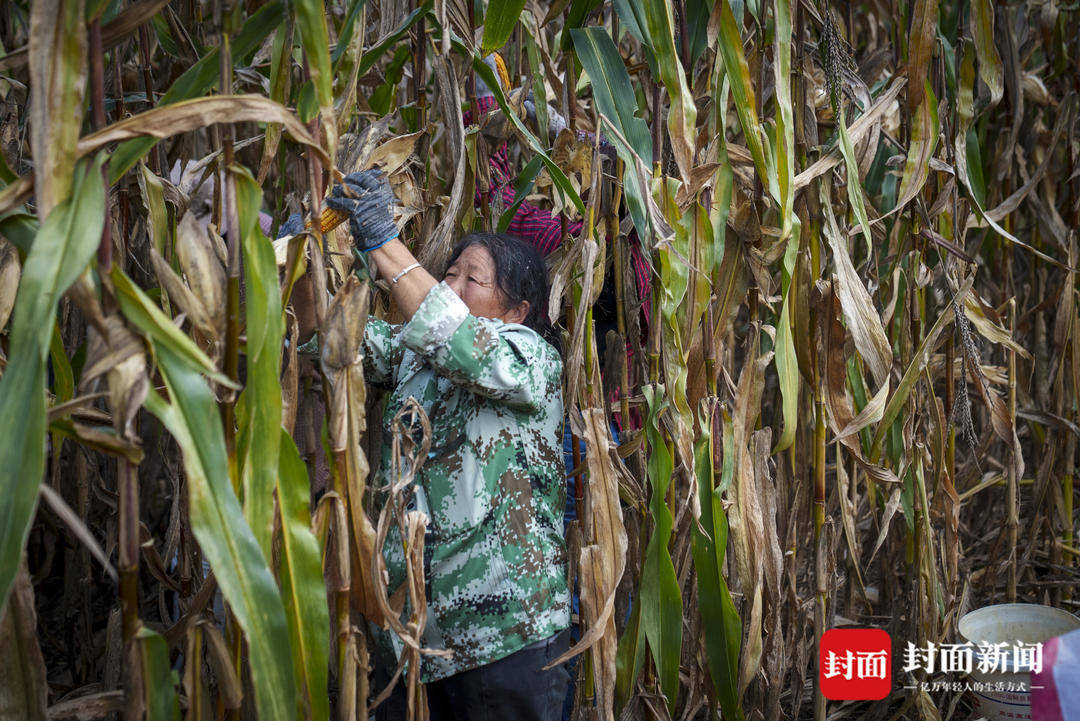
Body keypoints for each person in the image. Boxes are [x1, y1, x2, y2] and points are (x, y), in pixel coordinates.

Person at [318, 170, 572, 721]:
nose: (449, 287)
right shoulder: (415, 354)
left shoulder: (530, 361)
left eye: (471, 280)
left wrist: (383, 239)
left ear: (516, 311)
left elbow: (453, 335)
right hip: (414, 645)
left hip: (504, 640)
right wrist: (301, 262)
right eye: (447, 274)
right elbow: (335, 339)